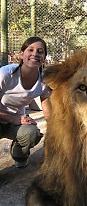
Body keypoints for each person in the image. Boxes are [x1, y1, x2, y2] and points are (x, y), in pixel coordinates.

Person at [0, 36, 51, 168]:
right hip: (8, 118)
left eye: (40, 51)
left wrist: (55, 130)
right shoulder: (6, 74)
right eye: (31, 50)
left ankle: (18, 153)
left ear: (44, 57)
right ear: (22, 54)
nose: (35, 54)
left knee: (31, 133)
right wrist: (14, 118)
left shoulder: (43, 81)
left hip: (15, 123)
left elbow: (48, 110)